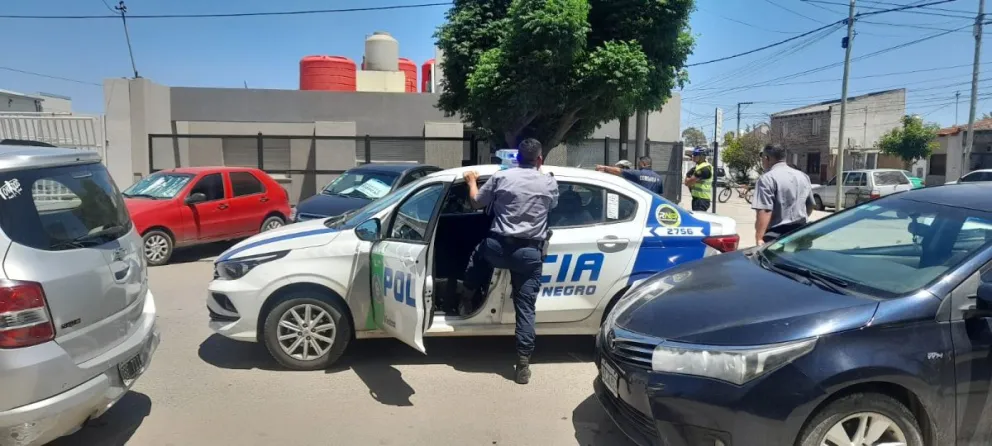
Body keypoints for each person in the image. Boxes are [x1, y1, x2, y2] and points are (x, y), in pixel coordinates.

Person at [459, 138, 558, 385]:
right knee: (525, 308)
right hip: (529, 254)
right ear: (540, 159)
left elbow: (476, 202)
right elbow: (552, 206)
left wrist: (471, 182)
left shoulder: (502, 178)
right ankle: (523, 363)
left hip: (498, 248)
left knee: (479, 255)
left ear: (516, 158)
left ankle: (466, 296)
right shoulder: (549, 182)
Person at [752, 144, 815, 244]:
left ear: (766, 158)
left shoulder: (767, 179)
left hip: (776, 236)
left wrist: (759, 238)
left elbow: (765, 210)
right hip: (800, 233)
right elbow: (810, 204)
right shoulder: (803, 176)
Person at [595, 156, 663, 195]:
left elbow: (618, 171)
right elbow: (660, 194)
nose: (638, 165)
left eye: (639, 163)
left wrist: (603, 167)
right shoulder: (659, 178)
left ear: (643, 163)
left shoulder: (638, 174)